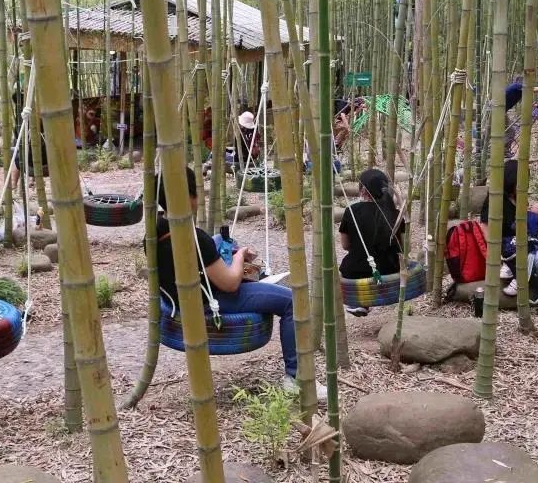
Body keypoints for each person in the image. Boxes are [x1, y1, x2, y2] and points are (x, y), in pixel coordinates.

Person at [155, 167, 322, 397]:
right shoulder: (195, 239)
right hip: (210, 302)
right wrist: (239, 256)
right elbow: (230, 284)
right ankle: (297, 378)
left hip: (179, 298)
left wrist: (220, 251)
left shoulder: (155, 231)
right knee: (292, 301)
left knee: (222, 244)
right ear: (189, 197)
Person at [482, 159, 538, 306]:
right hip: (512, 246)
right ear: (510, 180)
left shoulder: (519, 196)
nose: (524, 186)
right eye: (520, 182)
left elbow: (526, 216)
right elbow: (485, 226)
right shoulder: (495, 198)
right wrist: (498, 255)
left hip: (529, 238)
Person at [338, 169, 405, 317]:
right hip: (391, 270)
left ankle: (360, 301)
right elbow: (403, 247)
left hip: (357, 272)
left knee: (350, 265)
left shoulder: (351, 211)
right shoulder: (396, 214)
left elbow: (345, 245)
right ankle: (379, 296)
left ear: (362, 190)